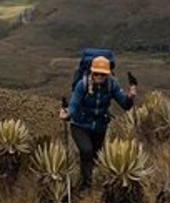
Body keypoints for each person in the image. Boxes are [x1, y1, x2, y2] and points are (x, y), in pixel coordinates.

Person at [59, 55, 137, 191]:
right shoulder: (82, 85)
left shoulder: (112, 84)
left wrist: (130, 97)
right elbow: (74, 104)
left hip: (100, 127)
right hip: (80, 125)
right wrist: (67, 114)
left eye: (103, 74)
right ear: (91, 72)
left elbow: (125, 105)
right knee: (87, 151)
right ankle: (86, 186)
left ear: (107, 74)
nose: (99, 76)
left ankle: (90, 184)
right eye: (96, 73)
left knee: (95, 156)